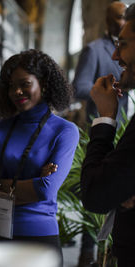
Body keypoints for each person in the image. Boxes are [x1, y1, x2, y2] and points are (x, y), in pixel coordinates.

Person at [0, 49, 79, 260]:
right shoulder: (0, 129)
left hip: (40, 238)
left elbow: (46, 190)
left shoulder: (64, 131)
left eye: (24, 84)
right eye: (11, 86)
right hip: (0, 234)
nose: (17, 91)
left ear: (44, 84)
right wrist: (29, 185)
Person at [80, 4, 135, 266]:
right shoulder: (92, 49)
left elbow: (96, 194)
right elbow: (80, 86)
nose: (115, 55)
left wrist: (105, 116)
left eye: (123, 44)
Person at [73, 2, 128, 124]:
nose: (125, 22)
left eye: (127, 18)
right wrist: (107, 92)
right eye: (120, 17)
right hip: (105, 124)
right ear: (108, 21)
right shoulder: (93, 50)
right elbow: (78, 87)